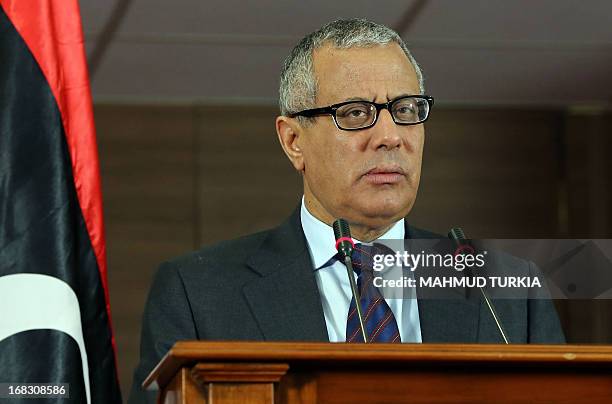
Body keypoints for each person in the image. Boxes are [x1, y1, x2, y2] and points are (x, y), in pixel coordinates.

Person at [128, 18, 564, 403]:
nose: (391, 137)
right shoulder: (198, 293)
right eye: (356, 113)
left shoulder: (505, 294)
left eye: (406, 110)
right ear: (293, 141)